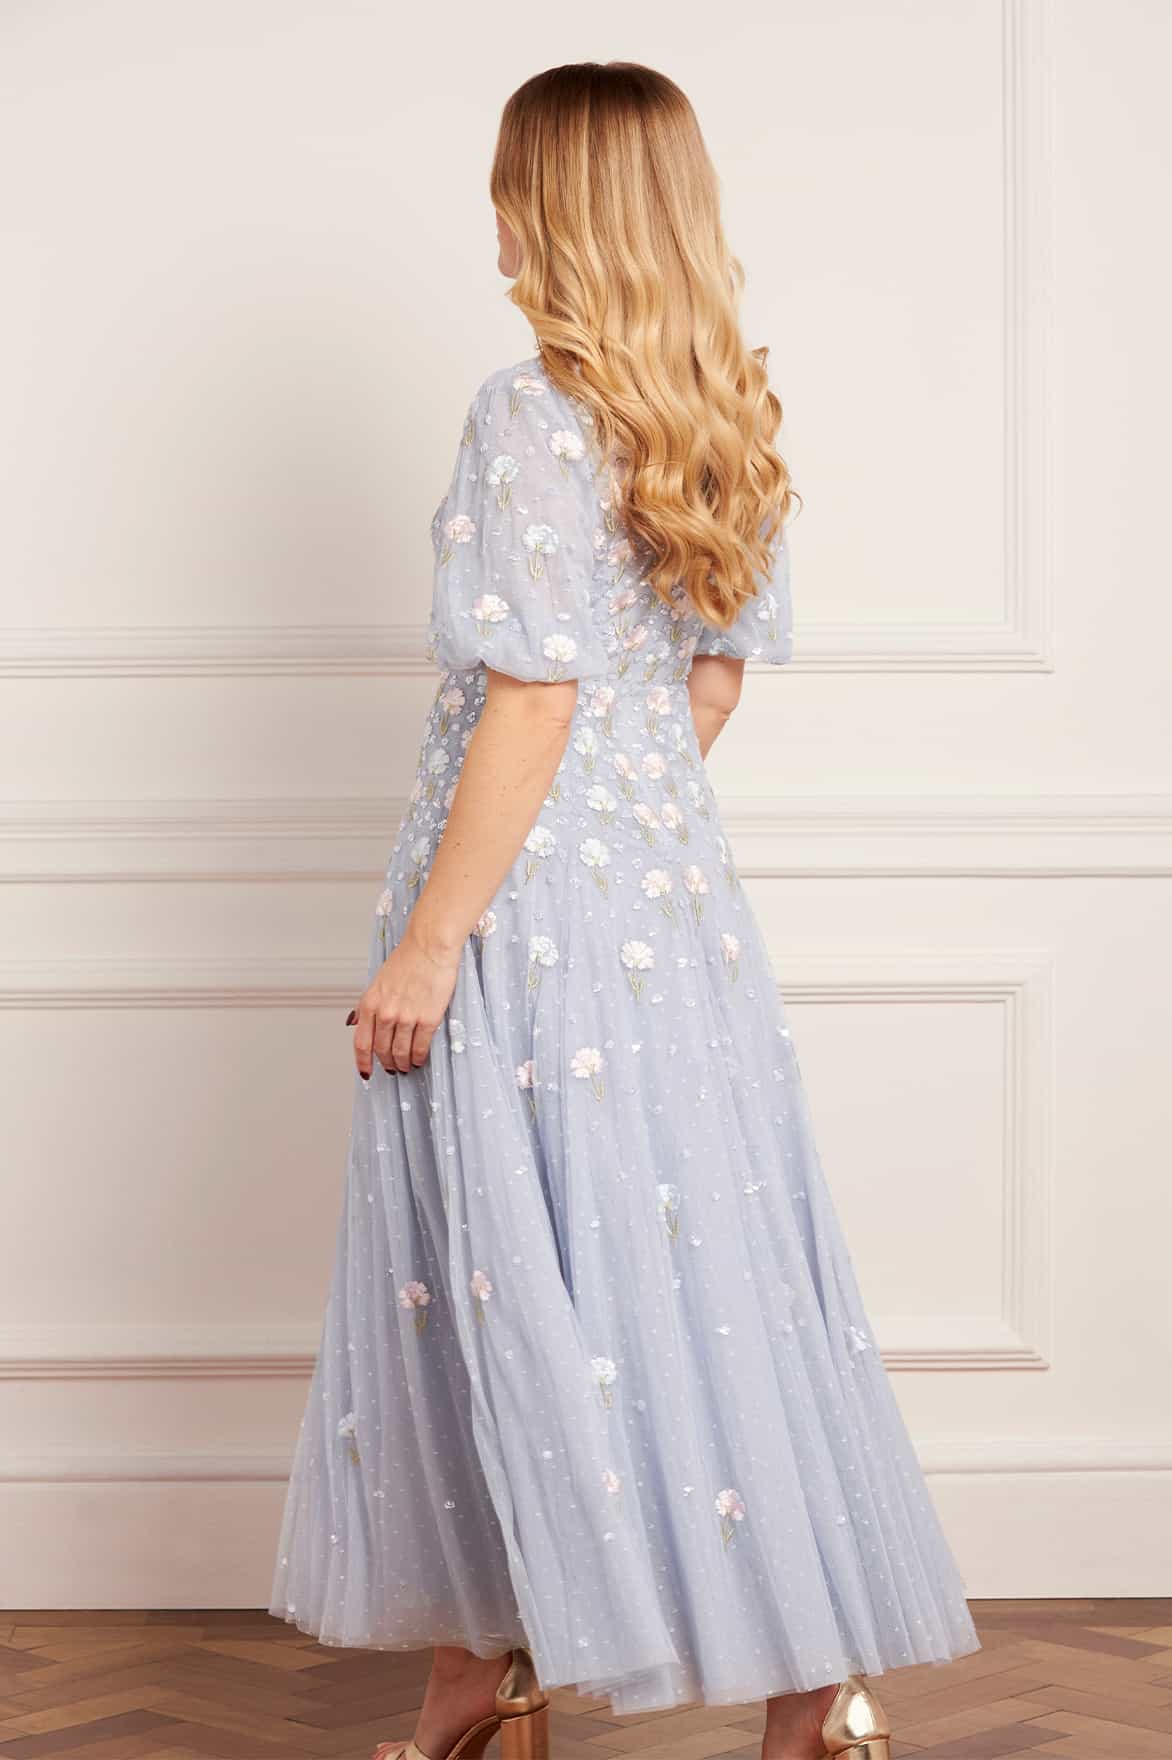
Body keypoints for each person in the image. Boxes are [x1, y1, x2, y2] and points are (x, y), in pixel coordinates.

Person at [269, 60, 980, 1760]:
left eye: (511, 182)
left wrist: (434, 939)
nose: (493, 214)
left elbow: (535, 695)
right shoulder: (723, 412)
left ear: (558, 203)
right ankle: (799, 1696)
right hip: (674, 914)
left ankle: (483, 1676)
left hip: (519, 911)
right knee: (705, 1276)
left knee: (503, 1276)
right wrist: (622, 834)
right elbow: (707, 686)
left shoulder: (530, 415)